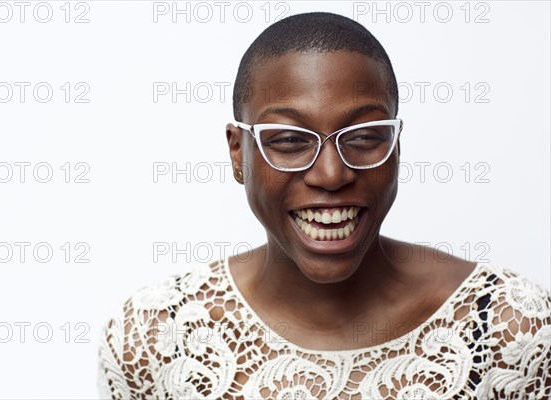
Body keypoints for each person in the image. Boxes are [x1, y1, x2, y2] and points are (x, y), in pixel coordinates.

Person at [97, 12, 550, 399]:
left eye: (364, 137)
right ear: (239, 152)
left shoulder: (507, 329)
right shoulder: (156, 337)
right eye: (291, 141)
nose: (331, 175)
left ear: (396, 146)